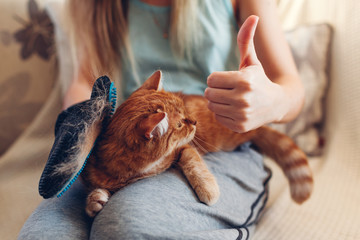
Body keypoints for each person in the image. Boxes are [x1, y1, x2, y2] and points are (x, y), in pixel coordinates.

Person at [19, 0, 303, 239]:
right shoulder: (97, 5)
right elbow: (83, 80)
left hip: (218, 145)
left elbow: (291, 87)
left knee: (124, 225)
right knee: (43, 234)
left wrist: (271, 101)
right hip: (135, 140)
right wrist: (79, 128)